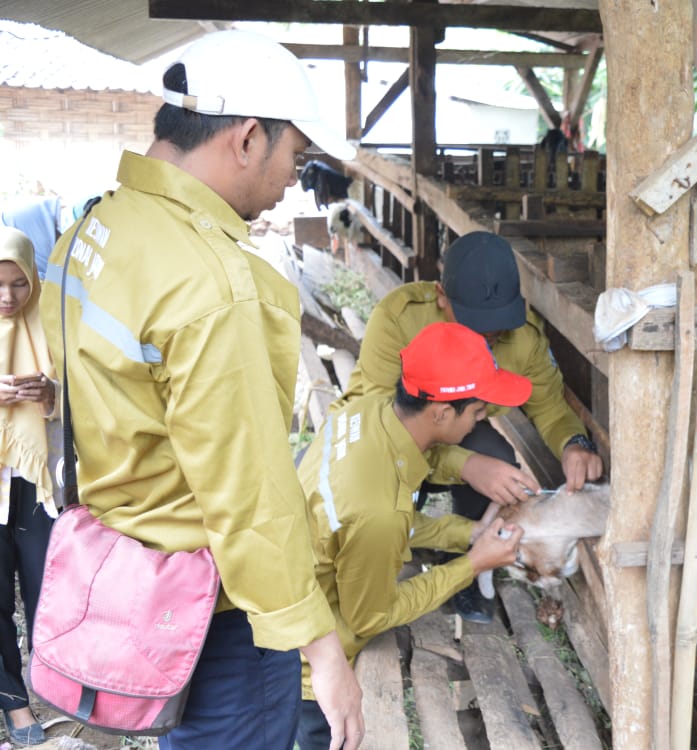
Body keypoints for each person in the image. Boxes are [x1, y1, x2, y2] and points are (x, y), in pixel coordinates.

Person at [40, 30, 364, 750]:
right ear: (248, 138)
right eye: (297, 158)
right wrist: (322, 649)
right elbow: (250, 494)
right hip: (214, 610)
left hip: (126, 573)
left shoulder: (95, 225)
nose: (293, 181)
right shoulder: (214, 284)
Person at [337, 231, 603, 622]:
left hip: (446, 430)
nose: (489, 334)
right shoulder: (400, 318)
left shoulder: (523, 339)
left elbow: (548, 405)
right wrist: (466, 465)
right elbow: (381, 419)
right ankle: (414, 544)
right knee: (390, 507)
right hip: (384, 432)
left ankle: (461, 566)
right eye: (476, 324)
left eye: (498, 325)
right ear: (441, 296)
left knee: (495, 455)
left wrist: (574, 443)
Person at [295, 321, 529, 749]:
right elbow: (374, 615)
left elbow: (374, 521)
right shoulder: (377, 510)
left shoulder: (364, 413)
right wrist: (472, 565)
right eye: (477, 414)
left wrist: (469, 532)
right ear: (440, 413)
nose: (477, 425)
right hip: (311, 674)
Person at [0, 227, 59, 747]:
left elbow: (80, 400)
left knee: (48, 589)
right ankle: (16, 707)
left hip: (36, 486)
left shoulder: (51, 325)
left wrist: (50, 393)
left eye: (20, 283)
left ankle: (58, 682)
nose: (8, 297)